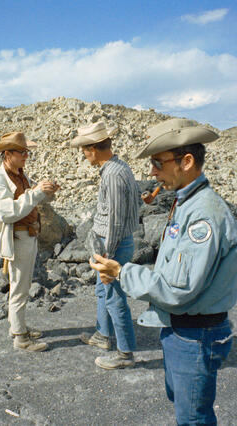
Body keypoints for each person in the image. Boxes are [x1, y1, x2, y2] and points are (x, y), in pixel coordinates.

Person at [90, 118, 237, 424]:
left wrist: (122, 272)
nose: (152, 172)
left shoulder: (203, 214)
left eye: (158, 162)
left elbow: (178, 288)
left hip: (195, 334)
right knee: (184, 404)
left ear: (186, 161)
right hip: (182, 328)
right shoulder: (186, 203)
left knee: (193, 417)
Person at [70, 121, 141, 370]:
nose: (83, 156)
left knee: (114, 296)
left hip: (113, 245)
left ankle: (125, 353)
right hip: (114, 243)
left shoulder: (112, 174)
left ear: (92, 149)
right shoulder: (119, 168)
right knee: (103, 292)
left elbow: (115, 221)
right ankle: (103, 335)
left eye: (84, 151)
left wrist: (107, 257)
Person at [0, 132, 59, 352]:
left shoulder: (18, 174)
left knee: (22, 284)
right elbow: (7, 212)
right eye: (23, 152)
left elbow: (27, 201)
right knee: (19, 286)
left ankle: (17, 326)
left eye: (27, 152)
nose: (27, 156)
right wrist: (36, 193)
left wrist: (46, 193)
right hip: (17, 237)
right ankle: (20, 337)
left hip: (27, 234)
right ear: (7, 154)